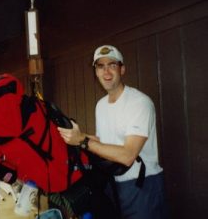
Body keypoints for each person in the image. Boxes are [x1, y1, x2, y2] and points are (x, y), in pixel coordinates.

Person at [58, 45, 168, 219]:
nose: (106, 71)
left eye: (112, 65)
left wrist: (82, 141)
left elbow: (127, 155)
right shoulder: (101, 105)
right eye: (100, 66)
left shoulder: (139, 103)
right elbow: (103, 142)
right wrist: (73, 135)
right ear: (96, 72)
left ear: (122, 69)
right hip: (113, 184)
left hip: (142, 185)